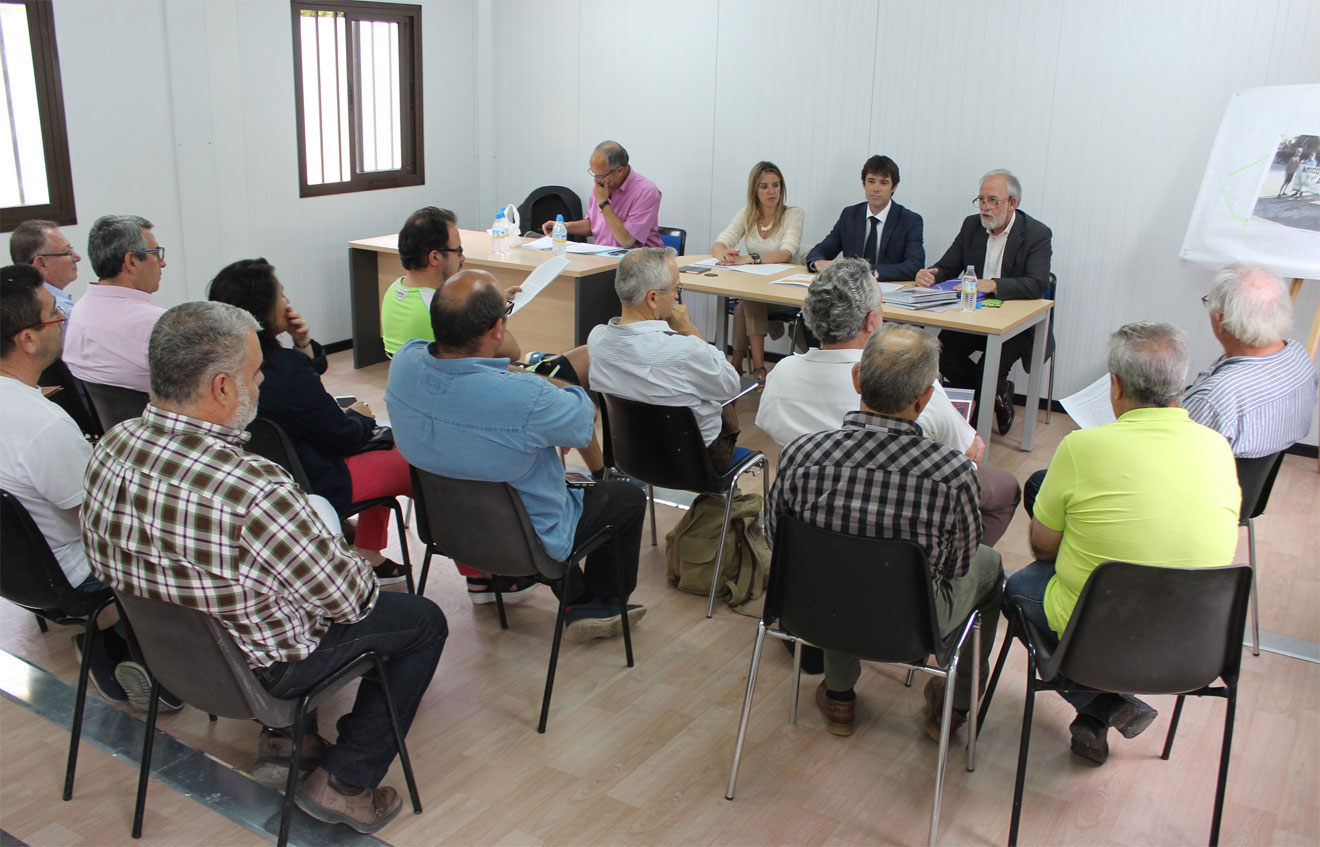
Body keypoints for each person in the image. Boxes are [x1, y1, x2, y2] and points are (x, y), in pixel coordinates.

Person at [82, 301, 447, 833]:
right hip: (261, 669)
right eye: (255, 372)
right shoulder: (255, 489)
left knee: (273, 585)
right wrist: (335, 547)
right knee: (422, 621)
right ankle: (345, 783)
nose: (260, 381)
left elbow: (105, 560)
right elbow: (352, 602)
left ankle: (290, 742)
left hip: (174, 657)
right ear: (222, 388)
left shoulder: (111, 446)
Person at [1004, 321, 1239, 766]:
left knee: (1016, 588)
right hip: (1195, 638)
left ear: (1115, 386)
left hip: (1100, 629)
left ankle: (1101, 704)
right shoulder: (1217, 448)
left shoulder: (1082, 447)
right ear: (1181, 384)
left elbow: (1045, 550)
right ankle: (1098, 712)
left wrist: (1085, 541)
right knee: (1045, 489)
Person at [768, 323, 1003, 741]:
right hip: (913, 625)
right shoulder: (952, 475)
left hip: (811, 610)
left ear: (856, 378)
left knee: (837, 560)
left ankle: (839, 695)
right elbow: (958, 566)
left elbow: (776, 539)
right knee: (991, 566)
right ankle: (955, 706)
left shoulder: (801, 455)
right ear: (925, 398)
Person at [385, 269, 646, 641]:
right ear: (497, 328)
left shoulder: (404, 363)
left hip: (448, 531)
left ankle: (576, 598)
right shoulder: (527, 397)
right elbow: (583, 417)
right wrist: (532, 379)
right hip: (526, 542)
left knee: (531, 486)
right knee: (625, 498)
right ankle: (599, 605)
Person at [0, 265, 178, 711]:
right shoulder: (41, 424)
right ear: (27, 338)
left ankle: (109, 640)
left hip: (14, 573)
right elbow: (105, 521)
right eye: (53, 314)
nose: (63, 320)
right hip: (72, 572)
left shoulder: (24, 410)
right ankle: (146, 651)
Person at [758, 258, 1021, 546]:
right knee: (1005, 488)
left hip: (817, 521)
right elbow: (967, 451)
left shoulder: (781, 375)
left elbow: (771, 428)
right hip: (902, 511)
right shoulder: (909, 381)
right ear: (871, 320)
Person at [208, 258, 413, 589]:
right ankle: (477, 572)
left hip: (267, 481)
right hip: (317, 479)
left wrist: (302, 343)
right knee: (408, 457)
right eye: (281, 294)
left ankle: (368, 553)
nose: (287, 301)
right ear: (262, 310)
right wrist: (360, 418)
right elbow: (342, 436)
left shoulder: (222, 367)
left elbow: (302, 383)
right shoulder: (287, 371)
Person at [916, 169, 1053, 434]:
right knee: (941, 354)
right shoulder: (972, 226)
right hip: (974, 317)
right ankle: (998, 392)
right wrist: (930, 274)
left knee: (988, 369)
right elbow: (948, 266)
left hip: (1015, 325)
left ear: (1012, 203)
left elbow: (1037, 283)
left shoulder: (1037, 233)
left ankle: (972, 437)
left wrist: (993, 284)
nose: (985, 207)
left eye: (993, 200)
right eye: (981, 199)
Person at [588, 247, 745, 471]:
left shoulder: (596, 340)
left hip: (629, 454)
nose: (677, 297)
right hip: (695, 463)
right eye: (676, 289)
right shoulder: (685, 350)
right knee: (721, 393)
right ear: (653, 298)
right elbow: (731, 386)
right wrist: (689, 329)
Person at [1183, 264, 1318, 458]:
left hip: (1209, 473)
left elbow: (1174, 456)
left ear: (1220, 320)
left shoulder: (1215, 397)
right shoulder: (1298, 358)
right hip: (1250, 473)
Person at [381, 206, 520, 361]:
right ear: (434, 257)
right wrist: (496, 308)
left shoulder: (393, 290)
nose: (463, 258)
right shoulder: (443, 310)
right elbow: (512, 352)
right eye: (458, 251)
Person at [711, 161, 806, 382]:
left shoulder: (794, 214)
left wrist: (749, 258)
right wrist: (724, 254)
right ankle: (754, 369)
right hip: (757, 291)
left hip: (785, 291)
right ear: (755, 190)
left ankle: (742, 366)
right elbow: (720, 242)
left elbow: (786, 253)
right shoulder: (747, 214)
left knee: (748, 302)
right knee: (747, 303)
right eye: (764, 186)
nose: (771, 191)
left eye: (776, 185)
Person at [62, 214, 168, 393]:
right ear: (132, 261)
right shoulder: (156, 323)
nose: (162, 263)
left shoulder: (79, 310)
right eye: (156, 254)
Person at [804, 154, 924, 281]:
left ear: (894, 186)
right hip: (851, 290)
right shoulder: (850, 215)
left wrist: (869, 272)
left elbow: (914, 265)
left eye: (883, 183)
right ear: (863, 184)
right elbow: (820, 250)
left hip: (888, 288)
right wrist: (818, 262)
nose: (876, 189)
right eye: (871, 181)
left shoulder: (910, 220)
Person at [539, 141, 663, 248]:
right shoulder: (602, 186)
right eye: (593, 174)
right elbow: (594, 224)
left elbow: (627, 241)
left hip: (640, 261)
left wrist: (604, 203)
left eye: (600, 175)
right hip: (603, 257)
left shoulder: (646, 191)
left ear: (619, 171)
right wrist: (563, 226)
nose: (596, 180)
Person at [9, 219, 80, 320]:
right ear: (41, 263)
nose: (77, 258)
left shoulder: (13, 305)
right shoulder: (62, 313)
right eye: (68, 252)